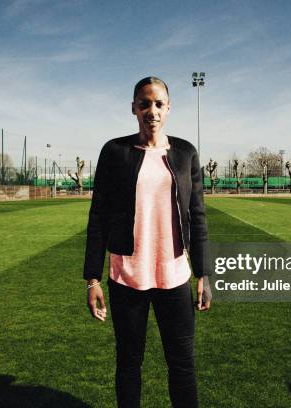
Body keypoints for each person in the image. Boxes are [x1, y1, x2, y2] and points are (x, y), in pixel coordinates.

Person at [83, 76, 212, 408]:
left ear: (168, 109)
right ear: (133, 109)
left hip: (174, 277)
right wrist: (92, 279)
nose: (151, 110)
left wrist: (203, 275)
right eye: (144, 103)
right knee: (129, 365)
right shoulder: (114, 152)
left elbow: (197, 216)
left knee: (182, 367)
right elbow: (98, 216)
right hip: (127, 277)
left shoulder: (185, 153)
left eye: (158, 104)